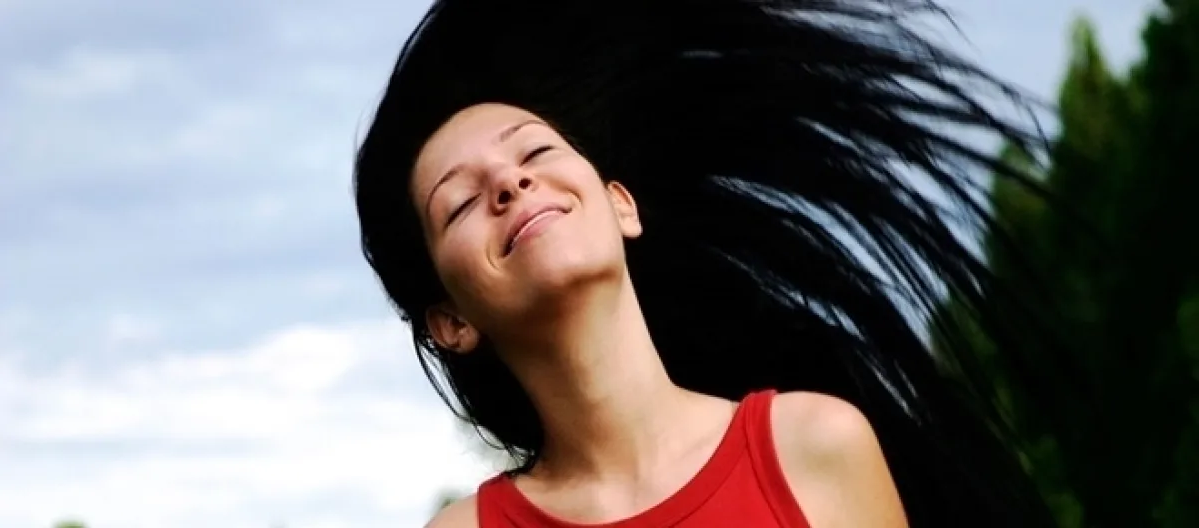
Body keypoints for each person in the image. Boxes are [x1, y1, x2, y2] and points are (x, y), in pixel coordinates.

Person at [354, 0, 1059, 526]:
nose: (509, 182)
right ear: (451, 322)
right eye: (460, 203)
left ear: (621, 206)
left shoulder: (814, 448)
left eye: (535, 151)